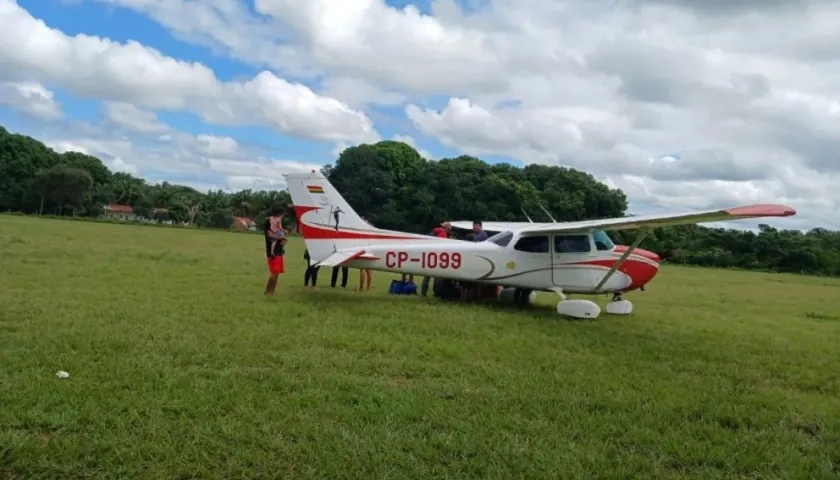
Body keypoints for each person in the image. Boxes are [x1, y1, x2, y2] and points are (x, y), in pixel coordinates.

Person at [421, 221, 452, 296]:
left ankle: (423, 292)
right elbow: (441, 247)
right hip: (436, 257)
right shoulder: (443, 234)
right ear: (447, 228)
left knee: (426, 276)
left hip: (429, 255)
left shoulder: (435, 230)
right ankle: (436, 292)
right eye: (449, 229)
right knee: (437, 277)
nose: (449, 231)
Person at [263, 207, 286, 296]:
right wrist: (283, 238)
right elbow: (270, 235)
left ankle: (271, 292)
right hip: (272, 252)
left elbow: (280, 233)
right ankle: (267, 291)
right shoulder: (268, 222)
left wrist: (283, 241)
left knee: (277, 274)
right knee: (274, 273)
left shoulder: (277, 222)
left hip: (279, 251)